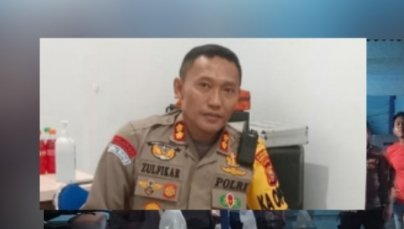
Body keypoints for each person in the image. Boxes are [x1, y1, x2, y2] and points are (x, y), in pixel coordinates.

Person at [83, 44, 287, 211]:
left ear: (237, 98)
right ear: (179, 89)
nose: (216, 102)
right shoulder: (134, 140)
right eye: (204, 85)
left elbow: (276, 222)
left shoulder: (251, 152)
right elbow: (97, 222)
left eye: (228, 90)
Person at [337, 124, 394, 229]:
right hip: (350, 208)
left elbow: (385, 181)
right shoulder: (344, 154)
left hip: (373, 207)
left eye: (364, 133)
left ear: (370, 135)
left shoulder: (379, 154)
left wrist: (387, 205)